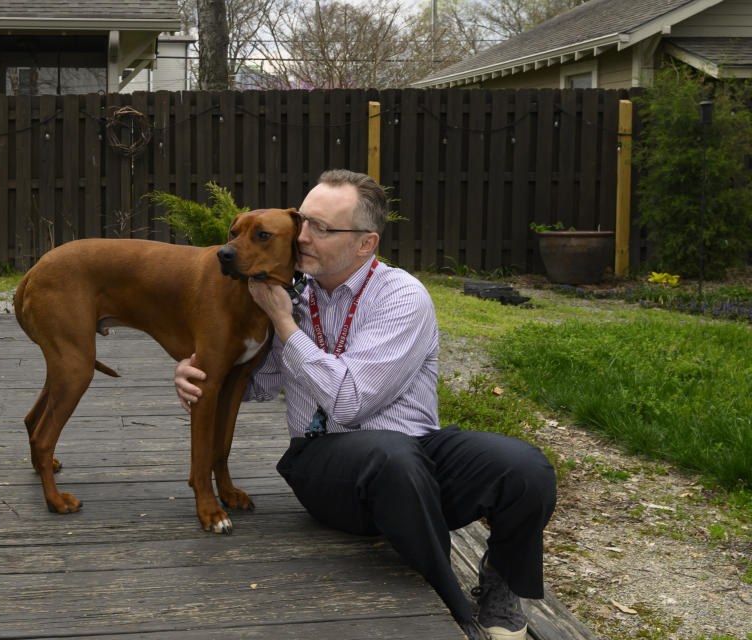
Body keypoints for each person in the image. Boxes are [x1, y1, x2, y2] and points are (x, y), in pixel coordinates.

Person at [174, 169, 556, 640]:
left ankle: (501, 582)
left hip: (414, 454)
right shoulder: (288, 294)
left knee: (524, 467)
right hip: (324, 465)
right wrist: (195, 376)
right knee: (391, 458)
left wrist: (284, 325)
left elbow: (349, 400)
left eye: (321, 228)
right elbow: (257, 385)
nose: (302, 235)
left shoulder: (400, 296)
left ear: (365, 244)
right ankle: (456, 611)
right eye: (304, 221)